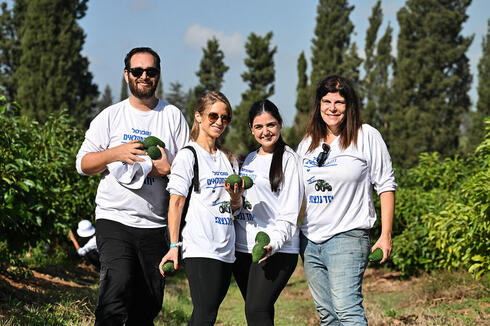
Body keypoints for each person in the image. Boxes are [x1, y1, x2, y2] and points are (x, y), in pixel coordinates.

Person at [76, 47, 190, 325]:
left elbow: (188, 170)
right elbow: (83, 164)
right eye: (137, 71)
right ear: (126, 74)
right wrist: (115, 153)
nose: (144, 76)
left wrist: (165, 169)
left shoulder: (172, 116)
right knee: (116, 288)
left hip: (154, 224)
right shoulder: (111, 116)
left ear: (158, 75)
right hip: (114, 218)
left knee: (147, 304)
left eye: (150, 71)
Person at [297, 75, 397, 325]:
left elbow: (385, 185)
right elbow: (293, 191)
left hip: (348, 236)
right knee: (327, 315)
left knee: (346, 309)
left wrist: (385, 235)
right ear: (318, 105)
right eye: (327, 101)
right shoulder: (308, 142)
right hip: (310, 241)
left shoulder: (366, 136)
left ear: (349, 106)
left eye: (339, 102)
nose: (332, 108)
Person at [159, 91, 238, 326]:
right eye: (213, 115)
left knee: (207, 314)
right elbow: (176, 202)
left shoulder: (228, 158)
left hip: (226, 247)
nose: (219, 122)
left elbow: (234, 207)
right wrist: (174, 246)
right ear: (199, 116)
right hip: (200, 247)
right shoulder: (188, 155)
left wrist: (236, 197)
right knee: (205, 314)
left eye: (225, 117)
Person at [228, 99, 303, 326]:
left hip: (275, 249)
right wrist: (234, 197)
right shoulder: (249, 160)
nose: (265, 131)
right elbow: (240, 205)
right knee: (259, 313)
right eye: (259, 127)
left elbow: (290, 216)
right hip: (243, 249)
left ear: (280, 124)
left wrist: (273, 245)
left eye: (270, 125)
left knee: (256, 310)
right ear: (251, 128)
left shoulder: (290, 160)